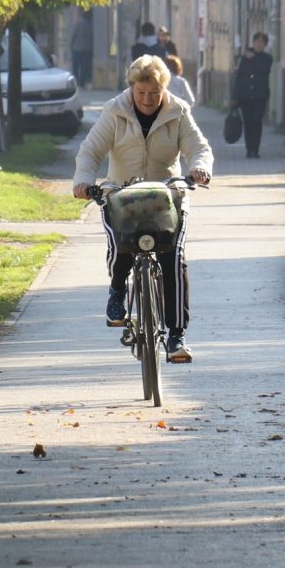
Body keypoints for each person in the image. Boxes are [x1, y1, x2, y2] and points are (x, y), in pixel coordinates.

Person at [72, 55, 213, 363]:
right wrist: (84, 181)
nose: (147, 100)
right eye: (141, 93)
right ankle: (117, 291)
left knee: (173, 257)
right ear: (131, 88)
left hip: (167, 198)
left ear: (164, 88)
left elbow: (198, 148)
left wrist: (200, 168)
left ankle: (176, 336)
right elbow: (90, 151)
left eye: (154, 93)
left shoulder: (178, 112)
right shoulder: (115, 112)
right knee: (121, 242)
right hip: (122, 196)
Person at [231, 32, 273, 158]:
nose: (259, 45)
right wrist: (235, 97)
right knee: (248, 123)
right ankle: (249, 149)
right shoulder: (244, 58)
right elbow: (239, 77)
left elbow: (264, 70)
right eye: (257, 42)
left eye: (262, 43)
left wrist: (253, 58)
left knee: (257, 122)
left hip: (260, 96)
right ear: (253, 43)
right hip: (245, 96)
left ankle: (256, 149)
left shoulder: (267, 58)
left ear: (265, 45)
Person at [69, 9, 94, 89]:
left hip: (77, 48)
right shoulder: (89, 25)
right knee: (84, 67)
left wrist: (71, 45)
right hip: (86, 49)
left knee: (75, 66)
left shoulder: (78, 24)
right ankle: (82, 82)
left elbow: (73, 35)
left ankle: (76, 81)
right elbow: (91, 37)